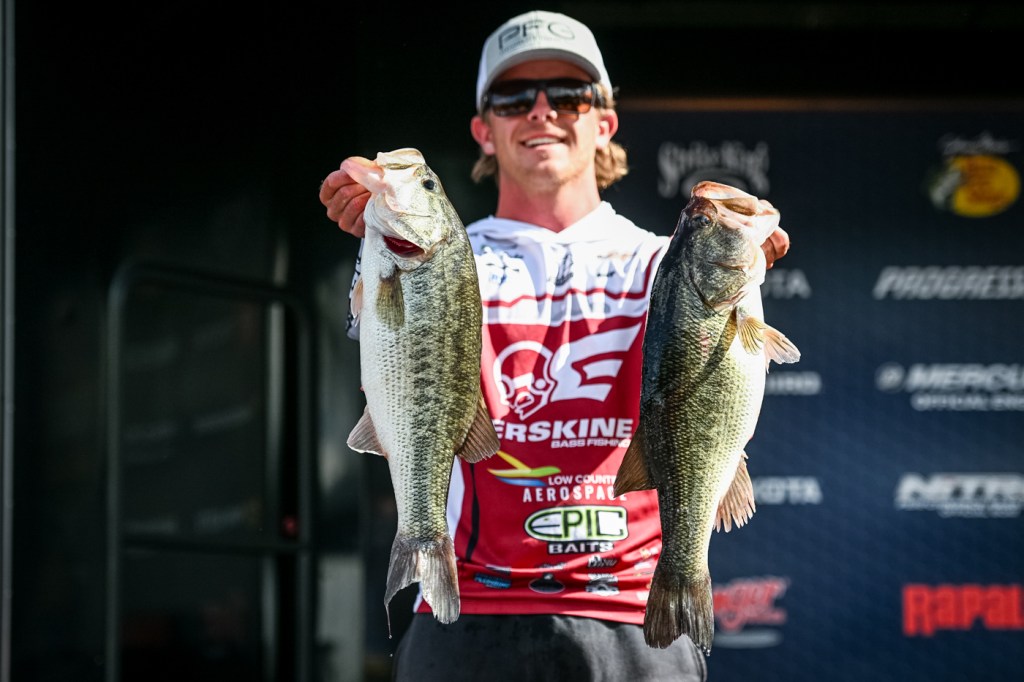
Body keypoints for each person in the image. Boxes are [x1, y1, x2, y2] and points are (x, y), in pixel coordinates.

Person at [319, 10, 789, 682]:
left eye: (568, 94)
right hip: (464, 609)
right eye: (514, 97)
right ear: (484, 129)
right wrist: (372, 248)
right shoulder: (444, 255)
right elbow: (389, 371)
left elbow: (720, 374)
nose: (542, 111)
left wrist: (743, 249)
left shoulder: (666, 262)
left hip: (635, 614)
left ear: (605, 122)